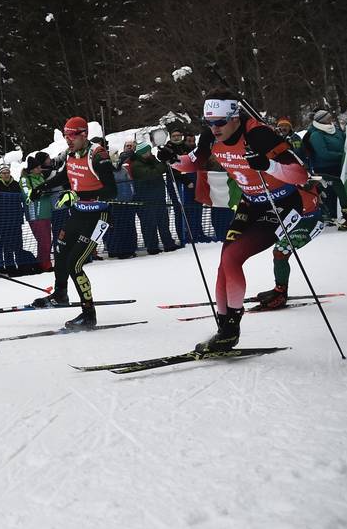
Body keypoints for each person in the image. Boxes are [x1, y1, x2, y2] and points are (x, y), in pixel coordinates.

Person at [158, 90, 310, 351]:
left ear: (235, 118)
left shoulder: (258, 134)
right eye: (209, 122)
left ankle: (231, 330)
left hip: (282, 201)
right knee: (223, 264)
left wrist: (268, 165)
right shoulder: (210, 136)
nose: (214, 128)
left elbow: (300, 175)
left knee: (232, 258)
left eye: (219, 122)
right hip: (251, 202)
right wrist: (173, 161)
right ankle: (225, 330)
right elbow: (192, 163)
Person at [27, 116, 116, 328]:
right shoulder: (71, 153)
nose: (68, 140)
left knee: (75, 264)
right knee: (61, 251)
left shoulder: (97, 155)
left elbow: (111, 190)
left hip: (98, 217)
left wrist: (77, 194)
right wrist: (42, 188)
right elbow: (66, 177)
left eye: (71, 136)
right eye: (66, 136)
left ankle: (88, 314)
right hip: (78, 214)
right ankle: (60, 294)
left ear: (83, 134)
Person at [253, 180, 325, 310]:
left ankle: (281, 295)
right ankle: (279, 289)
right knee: (279, 253)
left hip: (310, 222)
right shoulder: (277, 179)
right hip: (292, 221)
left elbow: (335, 180)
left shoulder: (303, 177)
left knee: (280, 251)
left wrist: (346, 208)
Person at [300, 109, 347, 228]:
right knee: (332, 193)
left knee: (344, 191)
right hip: (325, 168)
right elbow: (323, 153)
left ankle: (346, 213)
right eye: (328, 117)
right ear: (322, 120)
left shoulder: (335, 130)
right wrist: (342, 155)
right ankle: (334, 215)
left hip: (339, 166)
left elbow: (345, 141)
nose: (331, 119)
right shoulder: (316, 134)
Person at [129, 142, 181, 254]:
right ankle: (152, 247)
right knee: (149, 224)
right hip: (145, 199)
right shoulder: (136, 165)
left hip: (159, 196)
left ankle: (168, 243)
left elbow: (160, 167)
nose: (149, 153)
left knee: (164, 221)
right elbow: (151, 173)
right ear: (141, 153)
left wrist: (166, 159)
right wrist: (164, 164)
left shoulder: (151, 159)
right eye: (147, 152)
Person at [20, 152, 57, 273]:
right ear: (31, 169)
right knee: (44, 240)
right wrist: (40, 192)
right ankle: (44, 264)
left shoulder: (41, 176)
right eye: (37, 167)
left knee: (47, 239)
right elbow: (27, 194)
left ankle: (42, 262)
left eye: (39, 166)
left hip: (46, 212)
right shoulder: (25, 179)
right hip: (35, 214)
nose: (39, 168)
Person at [0, 163, 28, 274]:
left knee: (18, 243)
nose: (6, 175)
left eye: (8, 172)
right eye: (3, 173)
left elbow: (21, 198)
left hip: (16, 219)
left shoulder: (15, 184)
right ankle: (10, 267)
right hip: (2, 221)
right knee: (7, 245)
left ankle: (21, 265)